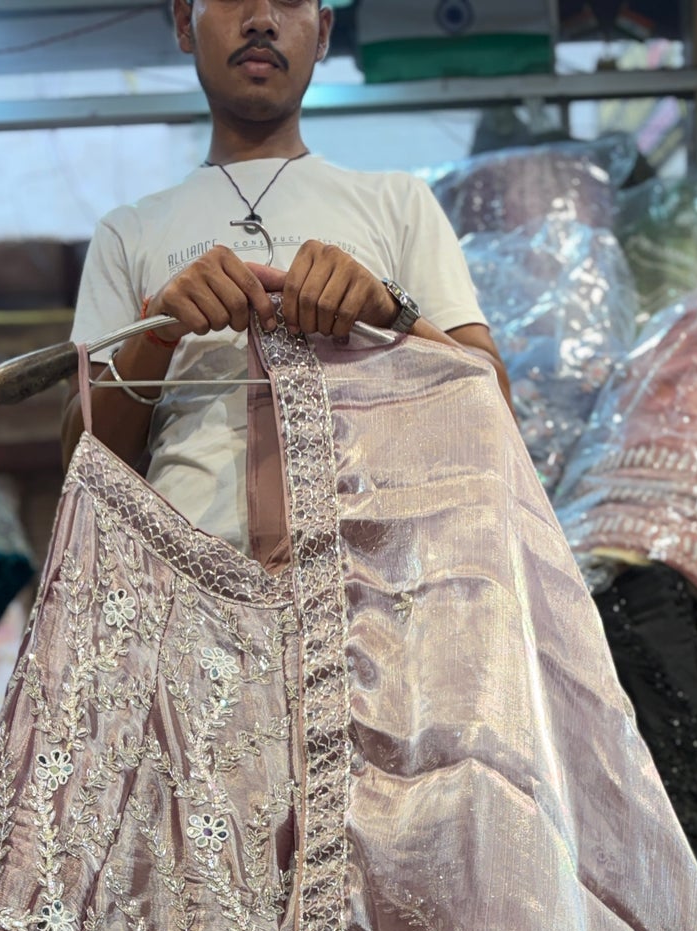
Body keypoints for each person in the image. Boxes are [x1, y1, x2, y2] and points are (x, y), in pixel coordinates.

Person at [61, 0, 509, 551]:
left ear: (322, 33)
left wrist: (391, 312)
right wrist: (156, 332)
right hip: (186, 592)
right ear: (184, 23)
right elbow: (79, 464)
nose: (261, 19)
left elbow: (495, 412)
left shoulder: (398, 202)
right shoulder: (129, 230)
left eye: (290, 1)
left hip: (375, 589)